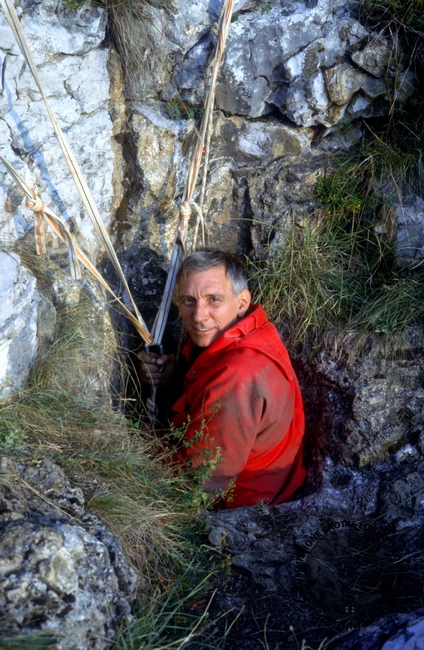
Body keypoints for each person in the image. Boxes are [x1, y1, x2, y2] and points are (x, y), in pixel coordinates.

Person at [138, 249, 306, 508]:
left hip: (241, 511)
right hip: (267, 487)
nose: (198, 315)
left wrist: (144, 444)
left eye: (214, 300)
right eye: (188, 300)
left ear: (242, 302)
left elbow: (200, 483)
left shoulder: (239, 376)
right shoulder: (251, 333)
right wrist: (173, 380)